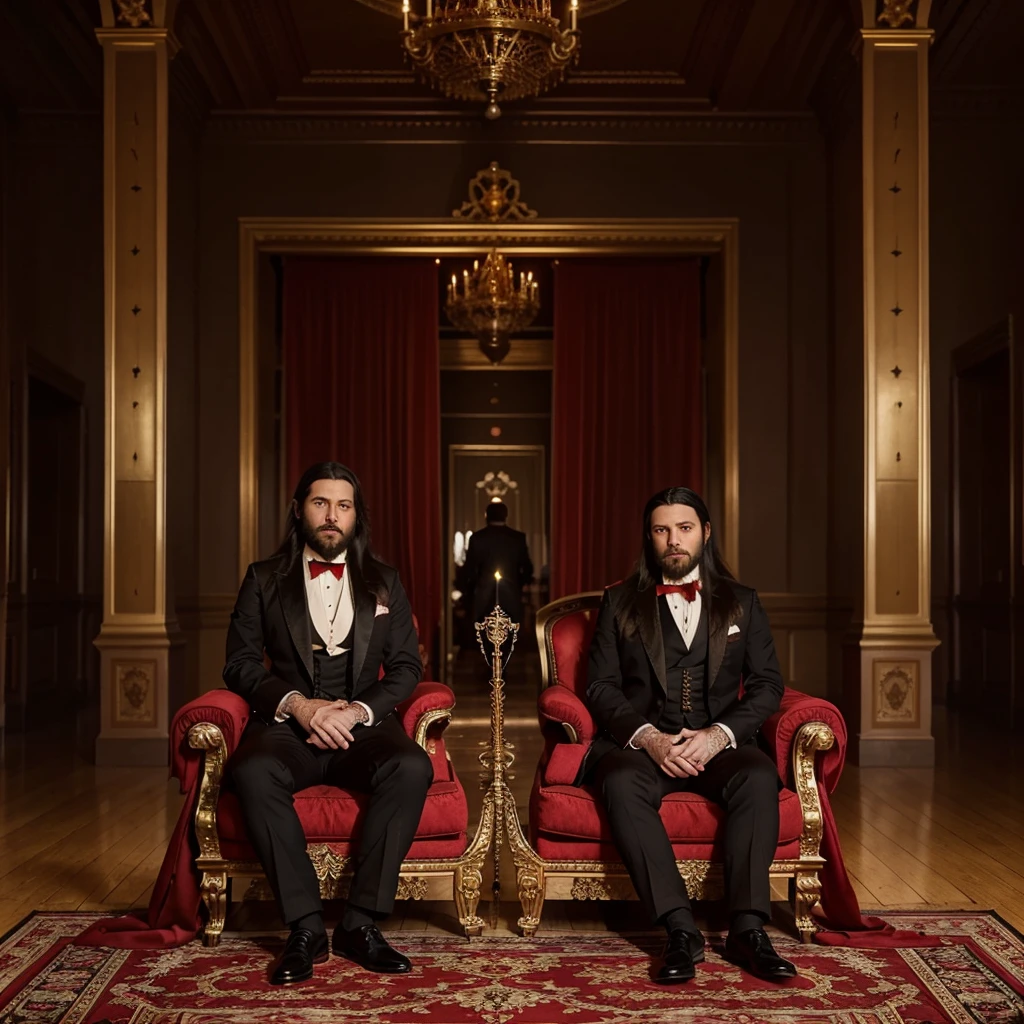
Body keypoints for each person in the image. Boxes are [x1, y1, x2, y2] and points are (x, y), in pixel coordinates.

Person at [223, 461, 431, 985]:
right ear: (299, 511)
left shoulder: (385, 581)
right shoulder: (263, 578)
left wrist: (359, 711)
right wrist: (299, 705)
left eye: (343, 505)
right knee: (251, 772)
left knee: (411, 766)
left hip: (363, 728)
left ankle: (360, 925)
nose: (332, 516)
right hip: (288, 727)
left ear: (357, 517)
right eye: (321, 503)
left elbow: (407, 667)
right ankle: (305, 928)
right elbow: (241, 664)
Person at [580, 486, 797, 984]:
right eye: (661, 530)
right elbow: (600, 685)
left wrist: (720, 735)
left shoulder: (742, 601)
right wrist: (649, 738)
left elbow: (767, 686)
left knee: (759, 777)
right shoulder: (619, 601)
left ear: (705, 533)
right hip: (643, 746)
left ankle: (748, 930)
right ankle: (679, 929)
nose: (673, 540)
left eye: (684, 528)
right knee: (618, 783)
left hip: (718, 744)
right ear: (649, 538)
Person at [458, 500, 534, 625]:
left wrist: (468, 591)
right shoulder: (517, 538)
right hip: (511, 597)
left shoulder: (477, 538)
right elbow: (527, 568)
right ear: (506, 515)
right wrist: (518, 584)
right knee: (510, 637)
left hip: (483, 598)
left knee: (483, 637)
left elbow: (469, 570)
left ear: (486, 516)